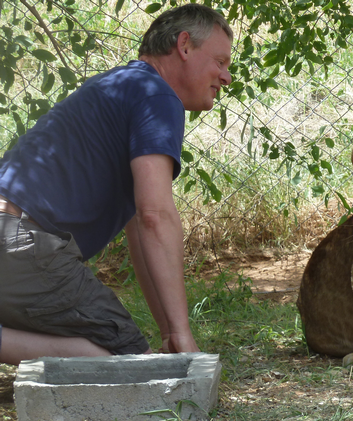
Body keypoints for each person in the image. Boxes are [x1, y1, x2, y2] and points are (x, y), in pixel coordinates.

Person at [0, 4, 233, 365]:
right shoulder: (157, 95)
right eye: (220, 61)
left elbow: (140, 226)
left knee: (126, 354)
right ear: (184, 45)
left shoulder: (121, 85)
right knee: (127, 362)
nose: (226, 76)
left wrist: (172, 332)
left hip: (10, 239)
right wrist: (185, 339)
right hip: (21, 244)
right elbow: (156, 215)